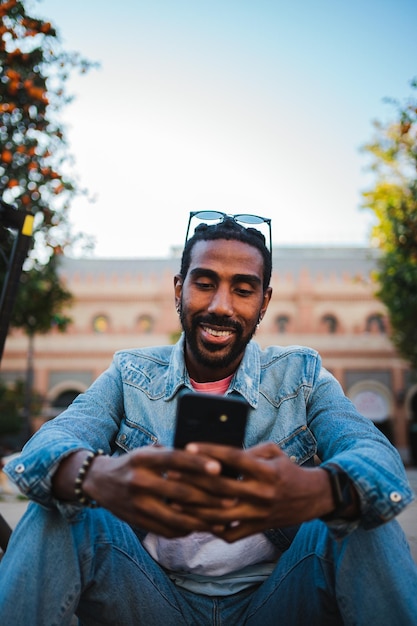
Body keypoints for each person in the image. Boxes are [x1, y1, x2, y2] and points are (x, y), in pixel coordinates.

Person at [1, 211, 417, 626]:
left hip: (278, 599)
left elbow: (378, 459)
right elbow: (46, 446)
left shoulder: (301, 376)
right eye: (204, 283)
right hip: (150, 596)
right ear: (179, 289)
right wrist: (97, 477)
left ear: (264, 302)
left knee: (358, 511)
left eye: (243, 289)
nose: (221, 306)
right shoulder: (130, 374)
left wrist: (322, 489)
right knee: (60, 507)